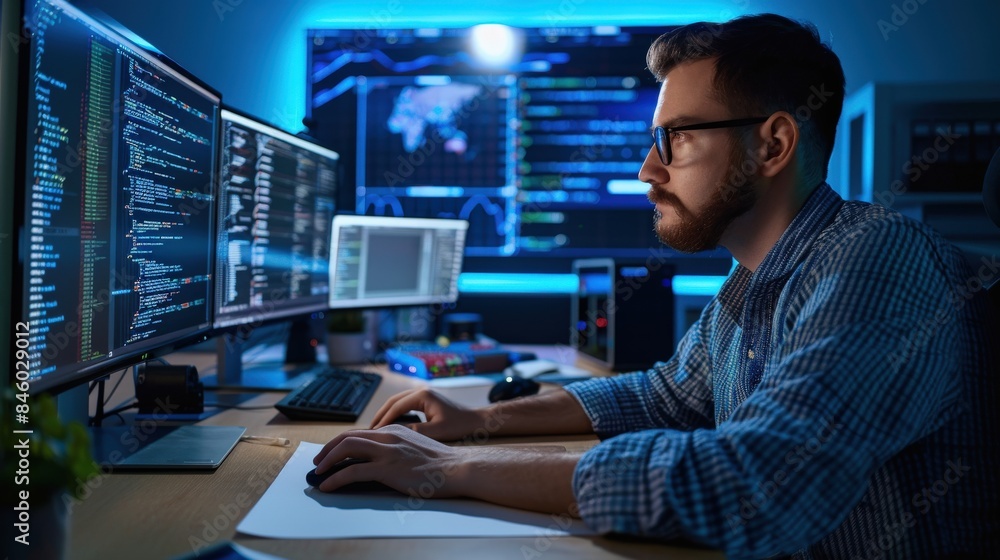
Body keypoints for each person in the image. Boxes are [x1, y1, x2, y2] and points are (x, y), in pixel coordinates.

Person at [313, 13, 999, 558]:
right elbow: (667, 393)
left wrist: (446, 471)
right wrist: (478, 422)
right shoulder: (754, 281)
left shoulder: (876, 262)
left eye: (675, 139)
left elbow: (751, 488)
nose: (648, 168)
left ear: (772, 144)